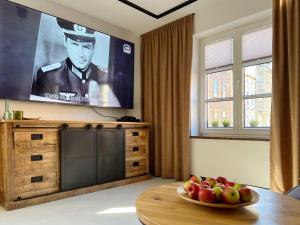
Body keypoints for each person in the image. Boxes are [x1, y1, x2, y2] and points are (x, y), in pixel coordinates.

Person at [32, 18, 120, 107]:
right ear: (65, 42)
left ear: (94, 47)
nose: (80, 54)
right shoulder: (48, 75)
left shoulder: (105, 77)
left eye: (86, 47)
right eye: (74, 45)